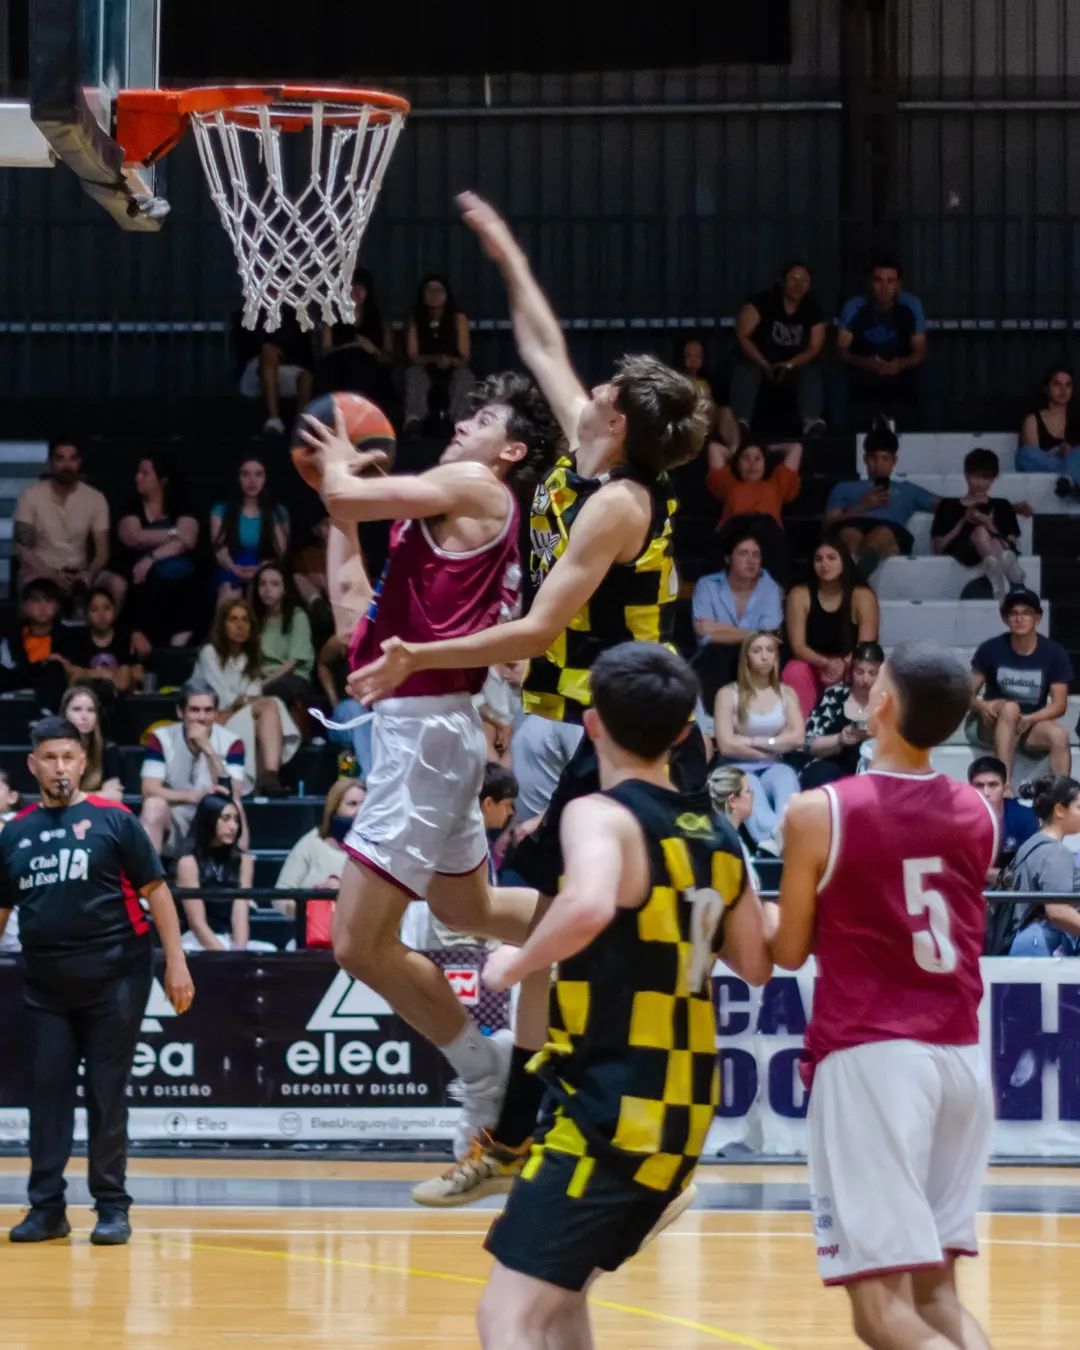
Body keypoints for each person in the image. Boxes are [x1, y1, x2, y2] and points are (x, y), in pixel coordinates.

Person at [348, 192, 710, 1197]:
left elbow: (545, 629)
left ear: (619, 421)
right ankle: (518, 1128)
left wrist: (420, 653)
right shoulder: (591, 449)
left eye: (598, 389)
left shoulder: (621, 504)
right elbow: (542, 335)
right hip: (580, 721)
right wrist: (506, 244)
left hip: (635, 733)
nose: (580, 385)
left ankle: (523, 1134)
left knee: (565, 928)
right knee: (522, 915)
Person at [472, 643, 772, 1346]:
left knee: (506, 1315)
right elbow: (756, 963)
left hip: (611, 1104)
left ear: (592, 723)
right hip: (685, 1107)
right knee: (564, 1296)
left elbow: (587, 907)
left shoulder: (598, 814)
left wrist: (511, 967)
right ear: (682, 734)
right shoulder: (719, 834)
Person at [297, 353, 558, 1154]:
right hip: (424, 733)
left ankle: (483, 1073)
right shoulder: (440, 510)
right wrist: (339, 508)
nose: (461, 424)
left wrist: (336, 454)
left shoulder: (483, 490)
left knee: (356, 944)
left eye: (482, 422)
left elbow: (347, 491)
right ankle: (590, 918)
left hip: (426, 739)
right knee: (466, 912)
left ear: (510, 452)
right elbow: (350, 615)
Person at [771, 642, 997, 1347]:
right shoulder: (980, 814)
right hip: (960, 1060)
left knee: (883, 1316)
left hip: (874, 1055)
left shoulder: (819, 811)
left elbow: (788, 950)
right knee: (938, 1300)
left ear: (884, 704)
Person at [0, 716, 194, 1245]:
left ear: (82, 761)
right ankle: (47, 1208)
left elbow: (157, 891)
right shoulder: (14, 832)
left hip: (117, 978)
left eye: (69, 756)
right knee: (48, 1097)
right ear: (33, 765)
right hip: (44, 986)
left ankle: (112, 1206)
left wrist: (176, 961)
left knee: (108, 1094)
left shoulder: (115, 820)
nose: (60, 767)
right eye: (50, 758)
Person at [965, 587, 1072, 787]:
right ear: (1006, 619)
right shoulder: (991, 649)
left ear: (1038, 618)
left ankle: (1061, 796)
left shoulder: (1054, 652)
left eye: (1026, 613)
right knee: (1010, 708)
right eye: (1013, 613)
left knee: (1059, 735)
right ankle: (1003, 785)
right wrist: (981, 706)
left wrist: (1030, 719)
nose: (1019, 618)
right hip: (991, 723)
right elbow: (965, 694)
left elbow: (1059, 705)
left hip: (1028, 723)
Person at [193, 598, 301, 796]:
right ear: (222, 624)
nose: (240, 625)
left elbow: (252, 696)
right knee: (270, 705)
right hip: (211, 721)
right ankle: (269, 777)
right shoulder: (210, 653)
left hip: (237, 715)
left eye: (245, 620)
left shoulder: (248, 658)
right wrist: (245, 701)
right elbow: (223, 700)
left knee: (269, 706)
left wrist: (244, 701)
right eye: (233, 619)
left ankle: (269, 775)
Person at [714, 631, 804, 854]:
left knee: (786, 777)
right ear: (746, 657)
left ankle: (780, 839)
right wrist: (772, 748)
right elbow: (726, 745)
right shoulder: (727, 694)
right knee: (749, 785)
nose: (764, 656)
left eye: (770, 650)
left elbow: (797, 737)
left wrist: (756, 740)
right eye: (757, 650)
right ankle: (777, 839)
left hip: (774, 765)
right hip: (736, 766)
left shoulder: (786, 693)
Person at [829, 257, 943, 432]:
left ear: (898, 284)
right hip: (864, 368)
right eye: (878, 280)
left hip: (900, 370)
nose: (884, 287)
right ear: (869, 283)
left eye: (890, 281)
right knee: (836, 376)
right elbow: (842, 351)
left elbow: (920, 351)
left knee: (930, 375)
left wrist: (899, 364)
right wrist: (865, 362)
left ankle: (933, 437)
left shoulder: (911, 305)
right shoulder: (854, 306)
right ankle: (839, 439)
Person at [139, 679, 250, 857]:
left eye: (208, 710)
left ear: (216, 713)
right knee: (153, 805)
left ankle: (237, 876)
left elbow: (232, 791)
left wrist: (208, 749)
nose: (201, 718)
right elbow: (149, 789)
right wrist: (192, 797)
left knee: (236, 806)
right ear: (180, 712)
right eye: (194, 710)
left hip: (215, 819)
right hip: (176, 816)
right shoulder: (161, 738)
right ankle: (148, 881)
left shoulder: (232, 742)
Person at [824, 420, 940, 577]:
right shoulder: (843, 487)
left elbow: (944, 505)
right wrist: (862, 505)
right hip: (851, 525)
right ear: (865, 459)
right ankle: (851, 578)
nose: (878, 464)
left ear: (894, 461)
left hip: (889, 531)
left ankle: (854, 579)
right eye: (873, 458)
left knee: (880, 534)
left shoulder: (907, 489)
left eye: (885, 459)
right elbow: (828, 524)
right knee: (850, 534)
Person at [782, 538, 879, 719]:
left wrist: (843, 665)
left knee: (866, 669)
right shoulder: (800, 594)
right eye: (818, 559)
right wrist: (826, 663)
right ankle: (802, 731)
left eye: (831, 558)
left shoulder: (862, 595)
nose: (824, 564)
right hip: (813, 662)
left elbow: (865, 646)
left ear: (844, 561)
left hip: (851, 662)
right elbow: (798, 647)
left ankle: (856, 727)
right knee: (794, 670)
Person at [114, 453, 201, 648]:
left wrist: (152, 556)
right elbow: (134, 537)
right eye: (138, 472)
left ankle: (180, 637)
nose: (138, 477)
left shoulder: (181, 504)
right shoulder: (131, 505)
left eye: (145, 473)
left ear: (162, 480)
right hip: (136, 572)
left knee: (180, 574)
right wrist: (173, 533)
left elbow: (189, 540)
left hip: (171, 573)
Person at [730, 261, 827, 435]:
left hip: (792, 366)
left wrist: (790, 364)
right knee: (746, 369)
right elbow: (742, 335)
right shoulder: (762, 301)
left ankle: (811, 423)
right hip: (759, 361)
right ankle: (740, 424)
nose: (798, 285)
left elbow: (814, 347)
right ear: (783, 281)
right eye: (793, 279)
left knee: (811, 372)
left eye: (804, 280)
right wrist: (764, 363)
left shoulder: (814, 308)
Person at [13, 438, 112, 607]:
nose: (67, 465)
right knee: (31, 584)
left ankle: (104, 634)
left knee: (116, 584)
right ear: (51, 462)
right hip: (41, 569)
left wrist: (88, 574)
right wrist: (51, 574)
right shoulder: (31, 495)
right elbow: (22, 549)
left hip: (80, 571)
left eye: (72, 459)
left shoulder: (95, 498)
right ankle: (32, 633)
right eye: (60, 458)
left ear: (79, 462)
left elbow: (102, 553)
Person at [692, 531, 784, 708]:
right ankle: (714, 724)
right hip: (715, 656)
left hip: (756, 655)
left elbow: (768, 638)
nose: (751, 560)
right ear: (728, 558)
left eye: (756, 554)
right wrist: (756, 633)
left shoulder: (770, 587)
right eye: (743, 553)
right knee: (714, 653)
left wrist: (722, 630)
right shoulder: (707, 585)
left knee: (764, 656)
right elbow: (705, 632)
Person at [274, 777, 367, 942]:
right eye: (352, 804)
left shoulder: (377, 848)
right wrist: (313, 906)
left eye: (364, 805)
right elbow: (281, 895)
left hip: (360, 942)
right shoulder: (311, 843)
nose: (359, 811)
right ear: (334, 808)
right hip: (315, 940)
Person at [931, 448, 1029, 599]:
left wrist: (988, 523)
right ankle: (1013, 584)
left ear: (993, 479)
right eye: (975, 476)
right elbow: (938, 547)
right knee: (980, 533)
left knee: (993, 541)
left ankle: (1001, 584)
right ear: (966, 475)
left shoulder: (1002, 505)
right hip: (963, 550)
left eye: (986, 478)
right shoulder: (948, 505)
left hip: (997, 546)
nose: (980, 483)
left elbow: (1011, 543)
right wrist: (963, 521)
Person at [705, 437, 802, 581]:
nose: (752, 464)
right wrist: (737, 452)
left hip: (768, 533)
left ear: (765, 462)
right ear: (737, 464)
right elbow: (714, 448)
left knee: (768, 532)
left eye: (758, 458)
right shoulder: (729, 483)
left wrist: (767, 449)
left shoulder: (776, 484)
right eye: (746, 458)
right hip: (735, 530)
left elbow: (796, 448)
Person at [1005, 775, 1080, 958]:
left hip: (1028, 942)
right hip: (1044, 947)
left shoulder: (1030, 844)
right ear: (1060, 810)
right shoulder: (1055, 852)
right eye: (1079, 807)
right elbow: (1058, 910)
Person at [176, 793, 253, 952]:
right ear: (209, 821)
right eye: (225, 818)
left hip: (228, 939)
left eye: (236, 819)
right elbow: (197, 923)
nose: (234, 826)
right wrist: (223, 958)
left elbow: (240, 913)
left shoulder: (244, 861)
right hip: (197, 939)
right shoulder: (188, 863)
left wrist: (239, 953)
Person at [800, 641, 883, 788]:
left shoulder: (891, 700)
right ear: (851, 672)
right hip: (835, 768)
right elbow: (808, 743)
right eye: (859, 672)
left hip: (879, 768)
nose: (865, 680)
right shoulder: (835, 695)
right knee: (820, 775)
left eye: (872, 673)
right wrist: (839, 739)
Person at [209, 457, 290, 603]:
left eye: (258, 474)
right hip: (232, 567)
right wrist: (234, 568)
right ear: (237, 478)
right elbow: (219, 550)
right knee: (229, 591)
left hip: (265, 568)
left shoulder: (277, 511)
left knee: (266, 586)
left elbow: (280, 553)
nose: (252, 480)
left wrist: (259, 568)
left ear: (266, 478)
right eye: (245, 474)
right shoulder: (221, 510)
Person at [315, 266, 396, 408]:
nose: (356, 293)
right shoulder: (332, 319)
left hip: (370, 368)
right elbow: (324, 352)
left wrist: (373, 350)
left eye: (361, 289)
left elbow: (389, 358)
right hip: (339, 367)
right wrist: (348, 346)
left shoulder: (380, 321)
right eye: (351, 288)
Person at [403, 273, 474, 433]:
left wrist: (449, 360)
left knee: (464, 376)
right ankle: (413, 422)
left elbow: (465, 358)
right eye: (429, 290)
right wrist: (434, 359)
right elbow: (412, 356)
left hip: (452, 366)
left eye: (439, 290)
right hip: (425, 366)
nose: (434, 294)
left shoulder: (458, 319)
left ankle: (461, 422)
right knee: (414, 375)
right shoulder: (415, 319)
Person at [57, 587, 143, 702]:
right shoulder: (78, 638)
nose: (101, 615)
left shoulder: (124, 637)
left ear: (115, 610)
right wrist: (109, 674)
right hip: (85, 700)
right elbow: (75, 679)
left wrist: (89, 673)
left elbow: (124, 682)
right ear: (87, 614)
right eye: (94, 609)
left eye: (106, 608)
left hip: (118, 702)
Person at [0, 578, 71, 713]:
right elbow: (9, 671)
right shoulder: (13, 637)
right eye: (36, 600)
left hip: (53, 692)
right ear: (25, 606)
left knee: (55, 669)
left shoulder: (68, 637)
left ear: (57, 606)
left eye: (49, 601)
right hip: (16, 686)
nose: (42, 607)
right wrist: (39, 666)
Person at [967, 755, 1038, 886]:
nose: (986, 792)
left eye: (993, 785)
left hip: (1012, 894)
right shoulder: (956, 819)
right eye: (979, 785)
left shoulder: (1024, 816)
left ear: (1005, 789)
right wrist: (991, 874)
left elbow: (1033, 868)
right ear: (969, 789)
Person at [243, 310, 315, 436]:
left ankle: (300, 426)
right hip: (259, 366)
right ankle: (274, 419)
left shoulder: (296, 313)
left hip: (290, 365)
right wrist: (266, 346)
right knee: (269, 354)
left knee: (306, 378)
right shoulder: (253, 311)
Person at [251, 561, 316, 700]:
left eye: (274, 584)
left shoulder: (297, 617)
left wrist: (262, 684)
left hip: (292, 677)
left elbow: (291, 664)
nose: (267, 589)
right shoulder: (256, 619)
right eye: (262, 584)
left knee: (274, 690)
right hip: (263, 677)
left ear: (285, 588)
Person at [1017, 364, 1080, 493]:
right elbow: (1032, 458)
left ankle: (1068, 480)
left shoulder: (1077, 417)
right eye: (1057, 384)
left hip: (1074, 463)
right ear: (1046, 388)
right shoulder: (1033, 419)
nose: (1063, 390)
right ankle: (1071, 480)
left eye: (1068, 385)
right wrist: (1057, 452)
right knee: (1025, 454)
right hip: (1047, 466)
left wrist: (1071, 453)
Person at [59, 684, 124, 800]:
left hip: (98, 813)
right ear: (65, 714)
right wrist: (98, 795)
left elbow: (115, 796)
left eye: (91, 710)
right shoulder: (53, 750)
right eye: (77, 709)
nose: (84, 716)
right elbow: (61, 796)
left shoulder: (108, 749)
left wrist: (77, 797)